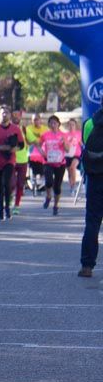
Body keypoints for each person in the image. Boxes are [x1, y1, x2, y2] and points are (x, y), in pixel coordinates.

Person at [0, 105, 24, 221]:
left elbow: (21, 145)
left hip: (9, 160)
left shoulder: (15, 129)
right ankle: (0, 208)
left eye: (7, 112)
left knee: (6, 183)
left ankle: (7, 208)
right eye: (2, 113)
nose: (4, 114)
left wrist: (14, 149)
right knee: (0, 187)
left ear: (10, 114)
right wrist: (0, 148)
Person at [78, 108, 103, 278]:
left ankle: (87, 265)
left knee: (92, 222)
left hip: (95, 178)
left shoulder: (89, 123)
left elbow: (85, 143)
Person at [39, 115, 67, 216]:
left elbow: (67, 149)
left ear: (59, 124)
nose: (53, 124)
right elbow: (38, 144)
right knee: (49, 181)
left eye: (55, 122)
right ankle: (48, 196)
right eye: (51, 122)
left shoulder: (63, 135)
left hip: (60, 163)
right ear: (49, 124)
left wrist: (64, 144)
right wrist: (42, 153)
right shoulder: (45, 135)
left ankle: (56, 205)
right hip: (48, 162)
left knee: (57, 187)